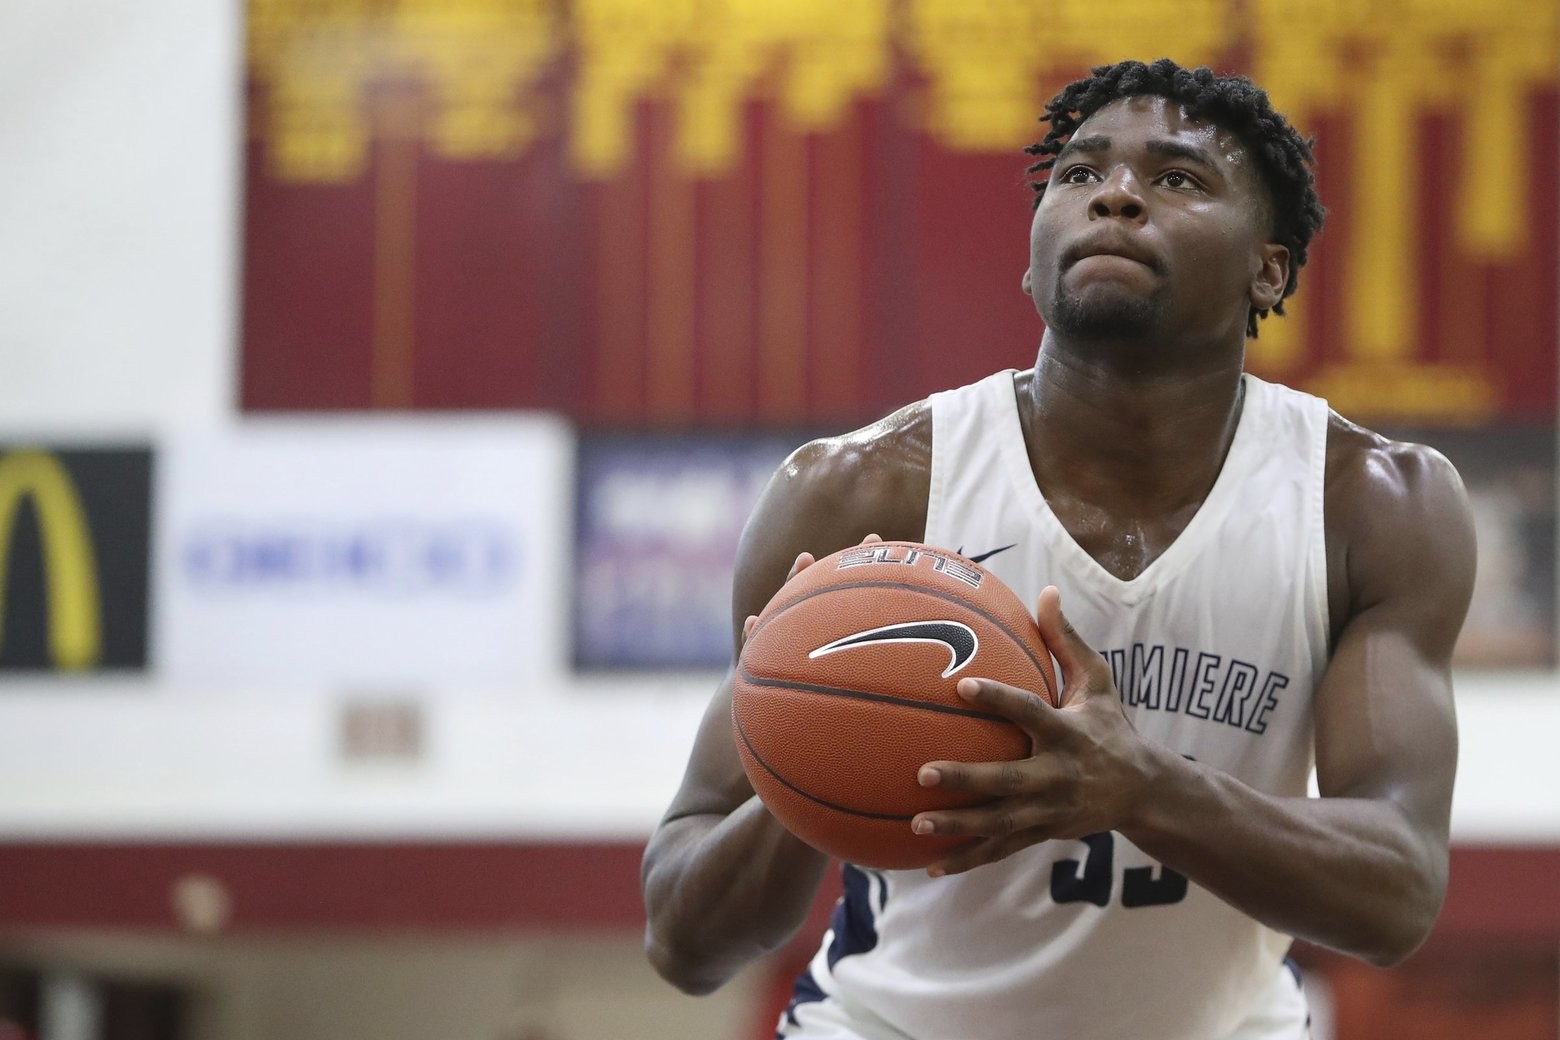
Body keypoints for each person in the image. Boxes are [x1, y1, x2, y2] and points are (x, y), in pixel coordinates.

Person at [640, 57, 1475, 1040]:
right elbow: (685, 939)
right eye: (1078, 175)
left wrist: (1143, 788)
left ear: (1270, 266)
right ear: (1033, 261)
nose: (1115, 194)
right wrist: (818, 756)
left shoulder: (1372, 503)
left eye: (1177, 179)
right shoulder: (864, 491)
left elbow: (1397, 895)